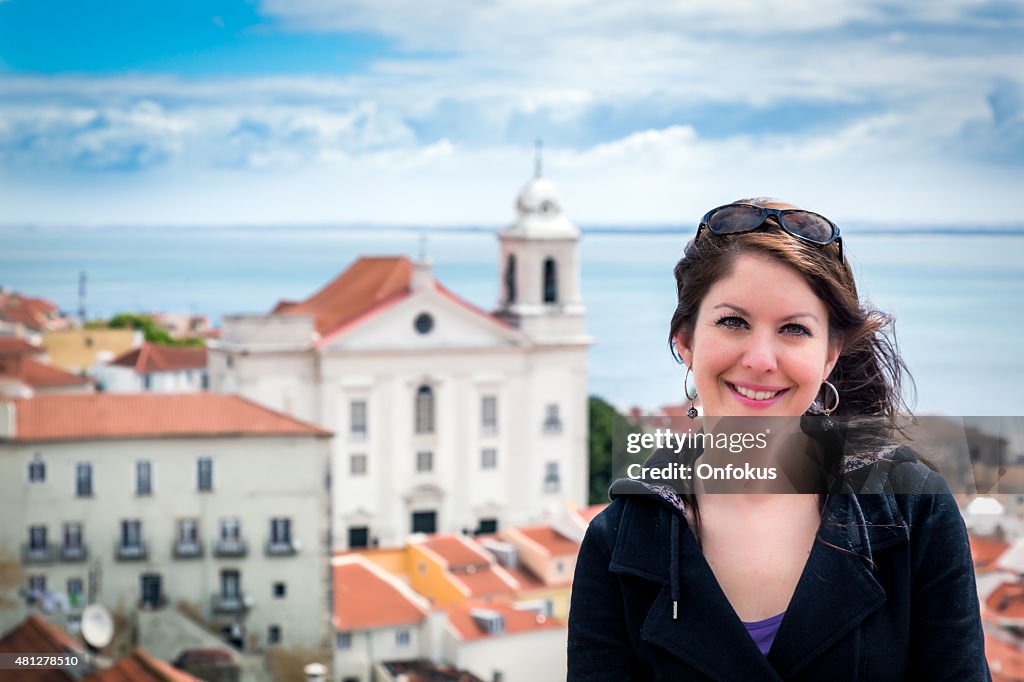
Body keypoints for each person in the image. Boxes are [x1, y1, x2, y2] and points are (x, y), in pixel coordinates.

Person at [567, 198, 989, 681]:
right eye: (733, 322)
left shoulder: (914, 509)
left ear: (830, 354)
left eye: (794, 329)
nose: (762, 359)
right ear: (685, 340)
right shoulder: (617, 542)